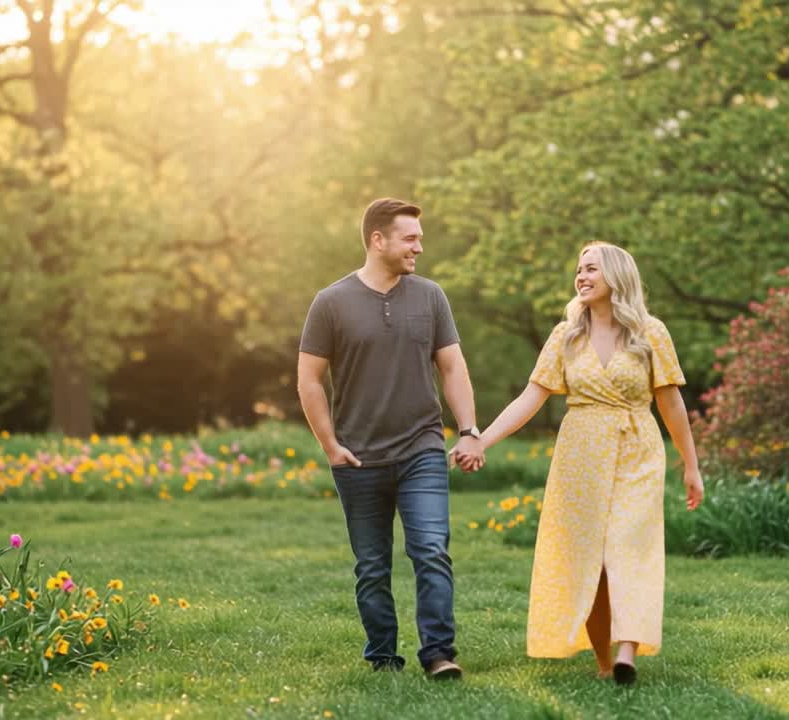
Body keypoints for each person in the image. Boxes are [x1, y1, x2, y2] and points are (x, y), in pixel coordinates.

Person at [454, 241, 704, 685]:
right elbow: (530, 398)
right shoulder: (565, 335)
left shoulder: (651, 332)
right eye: (578, 270)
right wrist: (481, 439)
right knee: (591, 558)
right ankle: (605, 663)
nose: (581, 277)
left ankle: (628, 650)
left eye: (591, 268)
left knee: (629, 546)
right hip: (581, 455)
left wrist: (691, 464)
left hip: (636, 450)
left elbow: (671, 403)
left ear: (616, 275)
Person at [297, 198, 482, 679]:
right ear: (378, 240)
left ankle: (439, 653)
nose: (419, 247)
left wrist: (468, 430)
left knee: (431, 550)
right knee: (373, 565)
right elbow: (309, 380)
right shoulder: (330, 303)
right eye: (410, 238)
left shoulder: (430, 296)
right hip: (358, 458)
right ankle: (382, 656)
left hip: (421, 446)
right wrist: (331, 446)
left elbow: (452, 366)